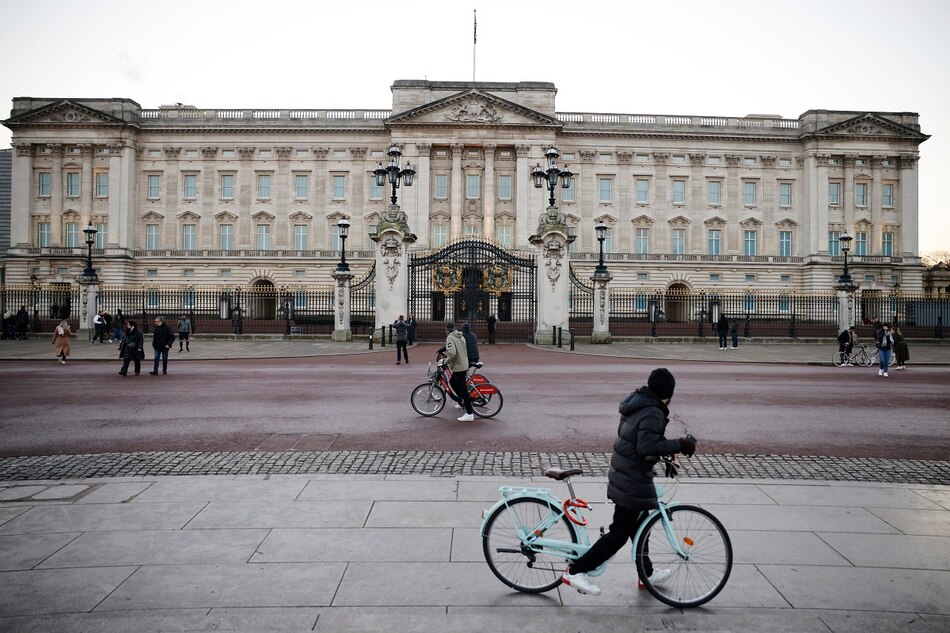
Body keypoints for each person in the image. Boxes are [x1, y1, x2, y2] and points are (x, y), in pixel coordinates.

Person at [560, 368, 696, 597]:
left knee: (640, 527)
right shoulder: (653, 411)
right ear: (669, 394)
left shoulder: (640, 403)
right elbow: (646, 447)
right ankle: (575, 570)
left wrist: (665, 449)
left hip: (627, 474)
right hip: (631, 480)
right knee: (619, 534)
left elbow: (642, 439)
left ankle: (646, 574)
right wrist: (679, 444)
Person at [442, 321, 474, 422]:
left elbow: (452, 353)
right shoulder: (460, 336)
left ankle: (469, 413)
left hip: (459, 366)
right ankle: (461, 401)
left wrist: (445, 361)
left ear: (446, 329)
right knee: (452, 382)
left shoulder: (450, 338)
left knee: (463, 390)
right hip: (463, 364)